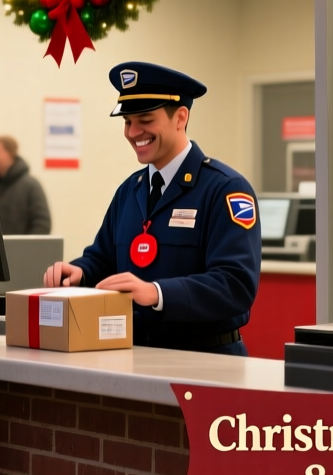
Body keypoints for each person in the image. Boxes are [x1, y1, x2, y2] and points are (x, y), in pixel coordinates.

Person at [41, 63, 262, 355]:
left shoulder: (225, 189)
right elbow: (105, 260)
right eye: (127, 122)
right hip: (135, 355)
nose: (133, 132)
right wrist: (80, 272)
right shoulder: (130, 191)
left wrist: (156, 293)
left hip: (206, 360)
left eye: (144, 120)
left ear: (180, 117)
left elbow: (235, 285)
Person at [0, 135, 51, 235]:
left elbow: (42, 225)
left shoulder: (31, 185)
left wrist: (24, 247)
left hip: (22, 250)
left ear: (10, 154)